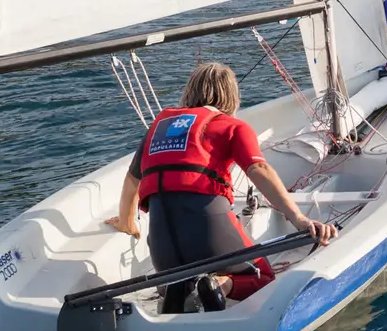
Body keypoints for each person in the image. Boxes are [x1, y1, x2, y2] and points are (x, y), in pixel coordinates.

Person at [106, 61, 336, 314]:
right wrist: (299, 219)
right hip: (208, 228)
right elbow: (259, 170)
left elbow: (132, 180)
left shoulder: (160, 126)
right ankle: (221, 285)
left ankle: (175, 287)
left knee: (174, 277)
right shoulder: (233, 127)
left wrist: (126, 223)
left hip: (162, 240)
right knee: (262, 276)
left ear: (189, 91)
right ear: (232, 96)